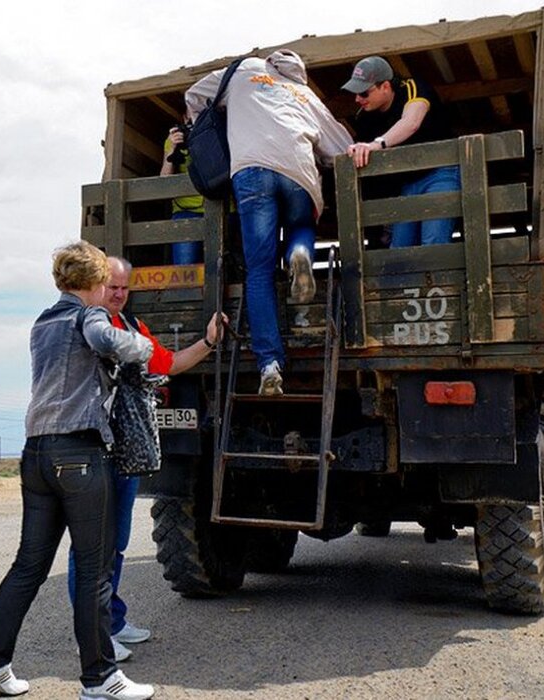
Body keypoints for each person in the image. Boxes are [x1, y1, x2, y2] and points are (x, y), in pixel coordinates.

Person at [0, 241, 156, 700]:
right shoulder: (87, 316)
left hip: (36, 452)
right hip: (79, 453)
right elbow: (108, 341)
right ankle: (100, 678)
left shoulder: (42, 321)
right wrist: (143, 345)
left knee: (28, 566)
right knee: (94, 569)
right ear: (94, 283)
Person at [65, 256, 226, 661]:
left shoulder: (133, 326)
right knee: (90, 547)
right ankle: (94, 636)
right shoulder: (88, 324)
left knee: (116, 542)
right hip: (95, 447)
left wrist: (207, 342)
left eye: (124, 288)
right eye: (111, 287)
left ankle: (113, 621)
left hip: (127, 449)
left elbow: (169, 363)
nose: (117, 294)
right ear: (97, 284)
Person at [186, 50, 353, 396]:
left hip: (251, 170)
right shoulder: (305, 95)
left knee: (259, 271)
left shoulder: (242, 70)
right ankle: (299, 254)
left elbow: (194, 97)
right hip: (299, 171)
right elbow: (342, 147)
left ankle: (269, 365)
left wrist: (227, 127)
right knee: (302, 223)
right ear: (299, 71)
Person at [342, 55, 458, 248]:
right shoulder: (365, 117)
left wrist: (376, 144)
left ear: (385, 86)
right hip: (405, 185)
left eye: (363, 92)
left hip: (440, 174)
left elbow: (411, 122)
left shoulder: (413, 88)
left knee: (433, 243)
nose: (357, 99)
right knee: (400, 249)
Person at [160, 118, 205, 265]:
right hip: (185, 210)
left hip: (222, 206)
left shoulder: (219, 131)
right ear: (185, 117)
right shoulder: (175, 139)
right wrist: (172, 148)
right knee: (184, 270)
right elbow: (164, 179)